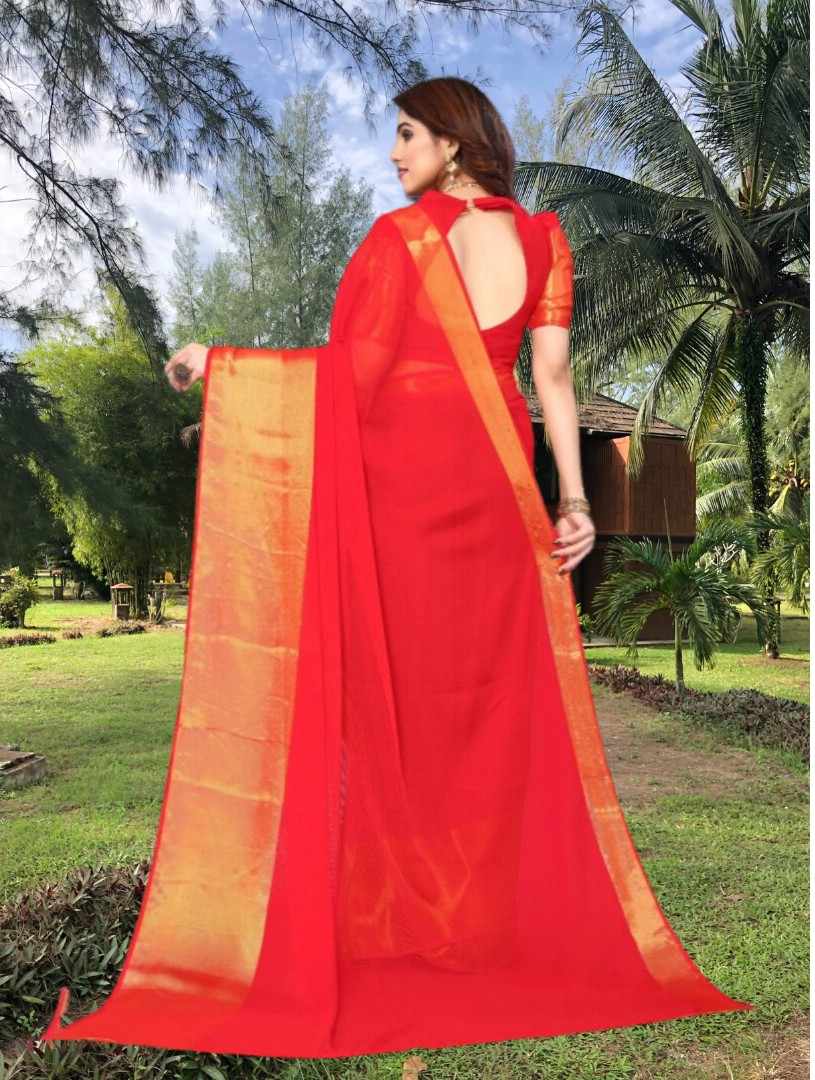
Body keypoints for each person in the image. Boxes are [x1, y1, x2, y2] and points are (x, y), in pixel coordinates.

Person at [40, 76, 753, 1059]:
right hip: (500, 488)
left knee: (386, 696)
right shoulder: (545, 241)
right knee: (483, 704)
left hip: (403, 490)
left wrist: (225, 366)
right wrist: (574, 502)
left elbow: (351, 376)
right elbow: (552, 379)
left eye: (408, 133)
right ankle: (468, 922)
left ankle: (393, 915)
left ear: (453, 142)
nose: (393, 152)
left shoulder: (399, 239)